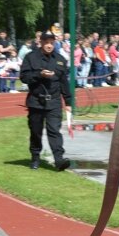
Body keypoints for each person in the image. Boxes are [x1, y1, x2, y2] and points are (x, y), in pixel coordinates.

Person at [19, 31, 72, 170]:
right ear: (41, 42)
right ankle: (35, 157)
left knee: (54, 130)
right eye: (46, 42)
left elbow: (64, 83)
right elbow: (24, 77)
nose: (49, 45)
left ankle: (59, 160)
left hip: (54, 102)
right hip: (36, 101)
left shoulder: (60, 60)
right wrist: (39, 74)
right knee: (36, 131)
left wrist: (68, 102)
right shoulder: (31, 57)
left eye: (51, 43)